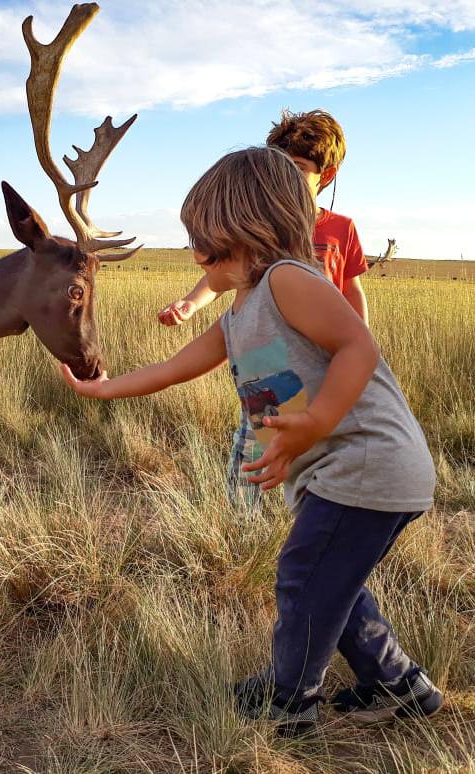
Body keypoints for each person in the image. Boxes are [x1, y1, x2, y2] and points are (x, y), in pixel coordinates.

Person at [61, 146, 441, 734]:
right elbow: (176, 366)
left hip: (368, 463)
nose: (194, 255)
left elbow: (358, 346)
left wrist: (315, 423)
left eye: (205, 242)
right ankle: (401, 686)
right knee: (330, 583)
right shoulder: (239, 313)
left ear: (247, 231)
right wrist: (104, 391)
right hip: (339, 472)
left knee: (302, 576)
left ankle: (291, 699)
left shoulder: (289, 281)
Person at [159, 110, 369, 512]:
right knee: (253, 455)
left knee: (320, 462)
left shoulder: (341, 229)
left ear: (325, 175)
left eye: (299, 168)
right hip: (268, 368)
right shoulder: (258, 227)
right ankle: (242, 540)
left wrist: (360, 343)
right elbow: (223, 271)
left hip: (322, 368)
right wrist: (189, 303)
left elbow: (351, 289)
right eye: (280, 167)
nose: (287, 178)